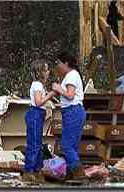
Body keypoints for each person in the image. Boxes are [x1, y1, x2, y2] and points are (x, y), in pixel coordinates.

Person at [51, 52, 86, 180]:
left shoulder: (71, 75)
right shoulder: (71, 75)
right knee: (73, 145)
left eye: (58, 63)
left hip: (73, 111)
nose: (57, 66)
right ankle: (71, 174)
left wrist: (58, 88)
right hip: (73, 112)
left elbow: (70, 95)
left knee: (66, 145)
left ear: (66, 63)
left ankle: (79, 173)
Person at [22, 59, 56, 183]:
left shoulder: (40, 85)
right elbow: (38, 102)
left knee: (38, 143)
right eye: (46, 70)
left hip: (38, 114)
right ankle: (28, 171)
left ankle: (37, 170)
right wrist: (51, 94)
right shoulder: (36, 85)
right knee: (34, 144)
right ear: (40, 72)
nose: (48, 72)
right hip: (35, 114)